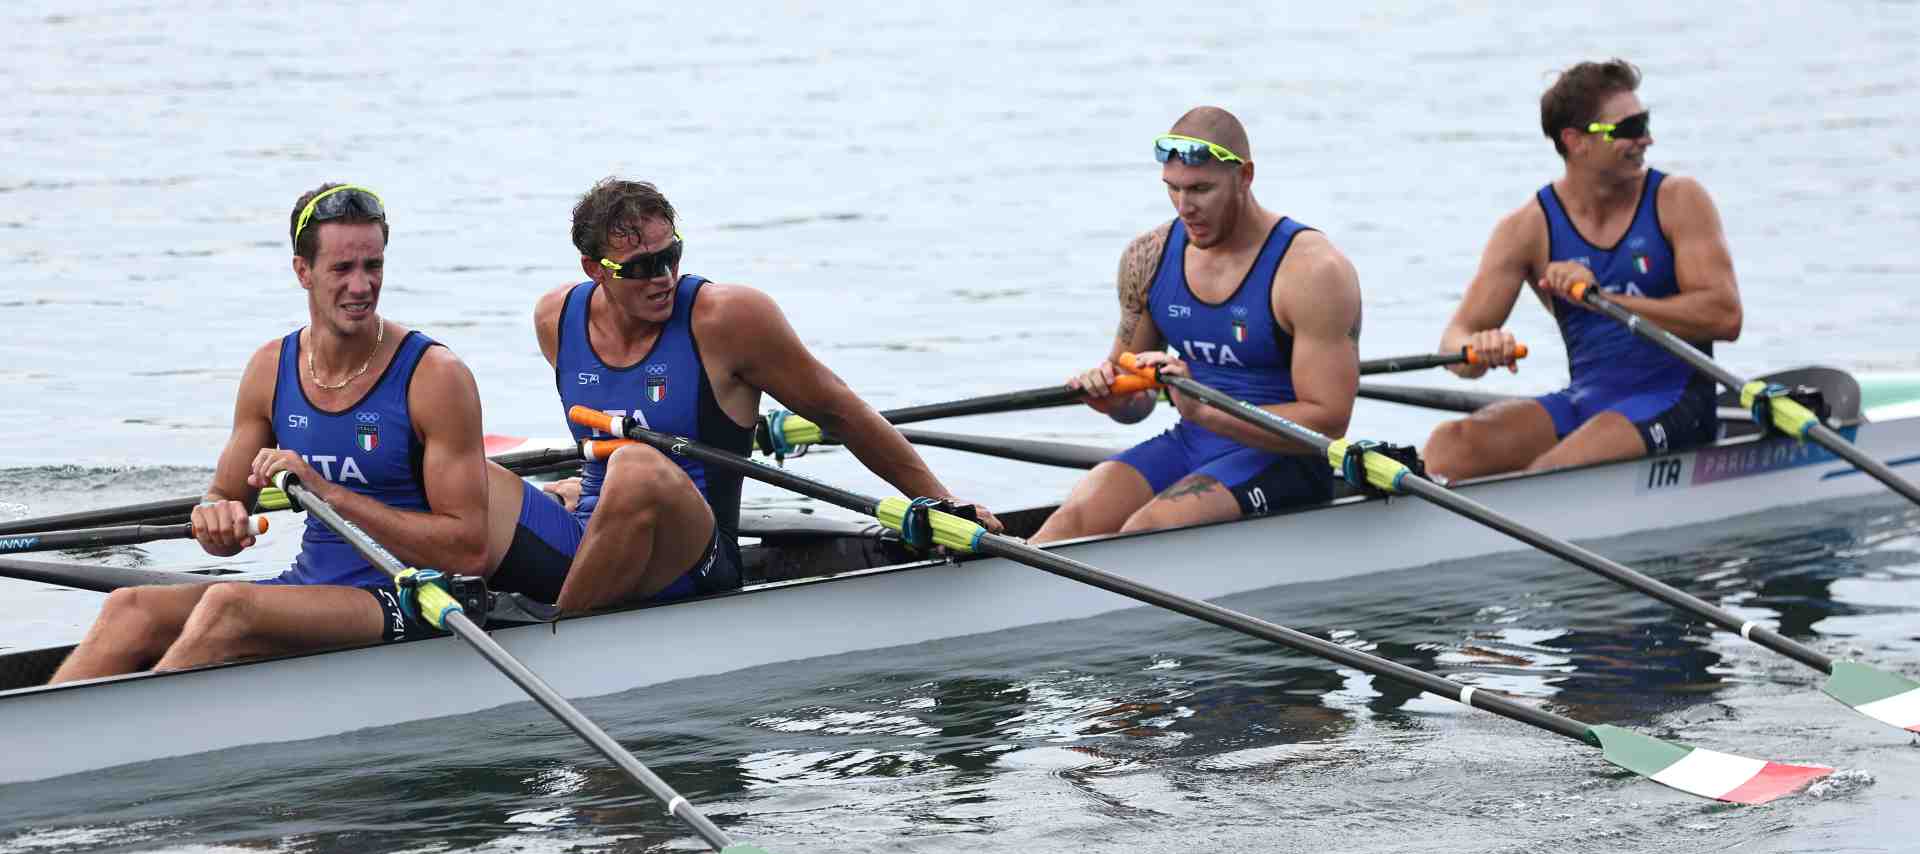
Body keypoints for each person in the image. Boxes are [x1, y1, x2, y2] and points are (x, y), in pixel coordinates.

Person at [52, 183, 497, 682]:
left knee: (228, 606)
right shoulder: (270, 369)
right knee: (130, 606)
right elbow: (226, 497)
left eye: (372, 266)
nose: (361, 286)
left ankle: (137, 723)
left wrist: (328, 493)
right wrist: (217, 518)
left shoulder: (434, 376)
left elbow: (469, 548)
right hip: (313, 585)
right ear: (302, 271)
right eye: (342, 269)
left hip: (408, 595)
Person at [494, 177, 1000, 613]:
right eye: (641, 267)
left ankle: (562, 631)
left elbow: (841, 412)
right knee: (468, 478)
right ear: (595, 269)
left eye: (671, 256)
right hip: (590, 536)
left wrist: (942, 501)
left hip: (693, 559)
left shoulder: (727, 319)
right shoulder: (557, 318)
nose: (663, 278)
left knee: (635, 465)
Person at [1030, 107, 1361, 543]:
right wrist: (1111, 398)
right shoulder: (1148, 257)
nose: (1185, 207)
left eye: (1201, 189)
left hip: (1286, 458)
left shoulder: (1313, 271)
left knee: (1146, 532)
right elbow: (1135, 399)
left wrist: (1204, 410)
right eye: (1173, 189)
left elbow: (1329, 423)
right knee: (1068, 525)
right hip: (1191, 441)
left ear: (1244, 176)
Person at [1421, 58, 1742, 480]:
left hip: (1677, 401)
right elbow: (1456, 343)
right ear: (1575, 141)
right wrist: (1480, 349)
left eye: (1644, 122)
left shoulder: (1678, 200)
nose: (1646, 139)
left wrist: (1603, 299)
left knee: (1553, 472)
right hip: (1588, 401)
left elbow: (1724, 316)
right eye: (1629, 128)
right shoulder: (1527, 228)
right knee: (1449, 447)